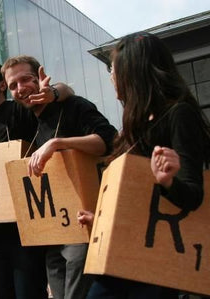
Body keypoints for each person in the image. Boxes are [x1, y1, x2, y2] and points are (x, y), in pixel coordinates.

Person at [79, 32, 210, 299]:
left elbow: (193, 195)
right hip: (124, 253)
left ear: (133, 72)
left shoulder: (179, 114)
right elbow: (135, 196)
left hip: (155, 261)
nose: (111, 77)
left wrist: (168, 180)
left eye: (113, 70)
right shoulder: (134, 123)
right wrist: (104, 220)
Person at [1, 55, 117, 299]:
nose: (20, 88)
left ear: (41, 77)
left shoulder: (73, 106)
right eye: (13, 85)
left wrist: (57, 143)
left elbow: (107, 141)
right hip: (53, 232)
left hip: (83, 223)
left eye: (26, 79)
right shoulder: (30, 120)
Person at [0, 61, 73, 299]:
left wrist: (54, 92)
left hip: (25, 228)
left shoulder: (19, 110)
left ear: (1, 85)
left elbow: (66, 93)